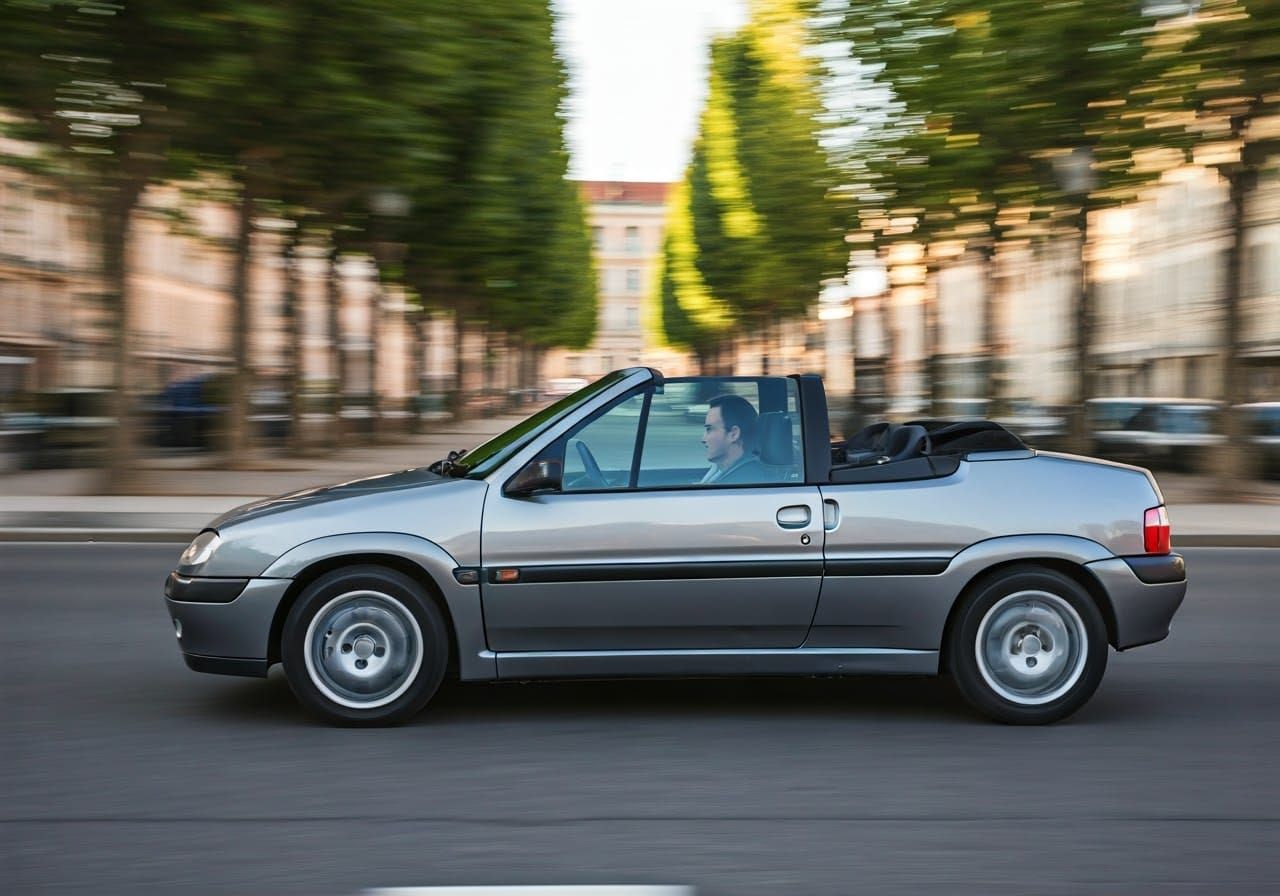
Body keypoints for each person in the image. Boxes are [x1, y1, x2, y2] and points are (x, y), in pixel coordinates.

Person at [700, 394, 768, 485]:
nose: (703, 439)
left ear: (733, 434)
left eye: (709, 429)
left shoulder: (743, 482)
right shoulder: (725, 472)